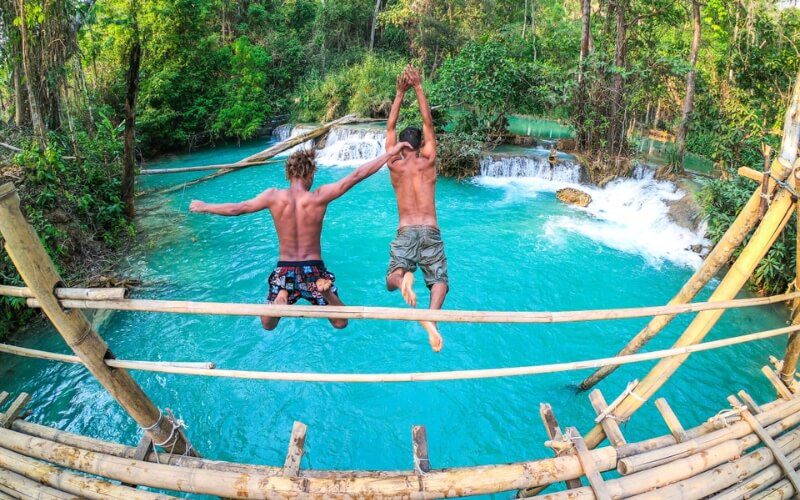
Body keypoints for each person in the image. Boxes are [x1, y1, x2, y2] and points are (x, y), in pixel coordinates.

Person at [190, 143, 411, 330]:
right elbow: (356, 176)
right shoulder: (318, 197)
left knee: (268, 324)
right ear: (310, 173)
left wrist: (205, 206)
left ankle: (282, 295)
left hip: (284, 269)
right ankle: (327, 294)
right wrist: (391, 152)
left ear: (290, 173)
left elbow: (238, 208)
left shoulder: (273, 196)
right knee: (341, 321)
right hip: (313, 270)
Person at [385, 65, 448, 352]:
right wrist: (419, 87)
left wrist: (400, 92)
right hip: (430, 228)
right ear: (420, 144)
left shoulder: (394, 164)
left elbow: (389, 127)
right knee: (439, 282)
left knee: (391, 278)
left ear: (401, 145)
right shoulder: (428, 161)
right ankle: (432, 318)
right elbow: (428, 124)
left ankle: (403, 283)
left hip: (406, 228)